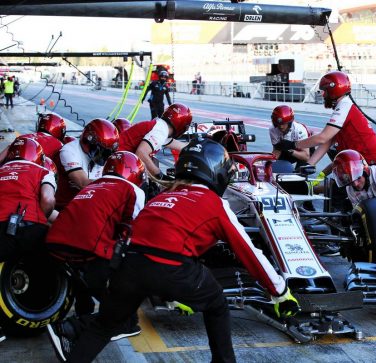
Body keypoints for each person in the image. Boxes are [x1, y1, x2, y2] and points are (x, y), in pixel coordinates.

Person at [47, 138, 299, 362]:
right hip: (173, 269)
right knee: (217, 305)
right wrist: (279, 290)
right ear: (214, 171)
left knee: (104, 326)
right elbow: (248, 251)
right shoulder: (213, 203)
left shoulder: (160, 198)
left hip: (128, 266)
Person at [46, 151, 146, 340]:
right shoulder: (131, 189)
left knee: (81, 279)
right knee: (122, 303)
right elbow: (134, 228)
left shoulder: (91, 186)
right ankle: (72, 328)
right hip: (87, 247)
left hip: (55, 242)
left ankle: (82, 317)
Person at [0, 138, 56, 342]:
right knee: (49, 267)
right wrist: (39, 217)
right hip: (30, 227)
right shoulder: (43, 171)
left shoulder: (1, 170)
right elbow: (48, 200)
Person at [278, 71, 376, 169]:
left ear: (333, 90)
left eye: (324, 91)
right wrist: (309, 165)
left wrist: (293, 145)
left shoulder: (344, 107)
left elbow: (322, 138)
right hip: (370, 159)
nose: (322, 95)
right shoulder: (344, 105)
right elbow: (328, 141)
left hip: (373, 161)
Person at [55, 119, 119, 210]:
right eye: (99, 150)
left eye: (105, 152)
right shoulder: (69, 151)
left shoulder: (100, 157)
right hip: (63, 207)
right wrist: (117, 189)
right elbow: (83, 183)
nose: (101, 155)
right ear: (88, 139)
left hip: (84, 205)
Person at [118, 103, 191, 181]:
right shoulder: (160, 131)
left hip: (121, 159)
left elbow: (182, 146)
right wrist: (159, 175)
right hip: (120, 163)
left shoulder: (162, 127)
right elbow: (141, 153)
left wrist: (199, 145)